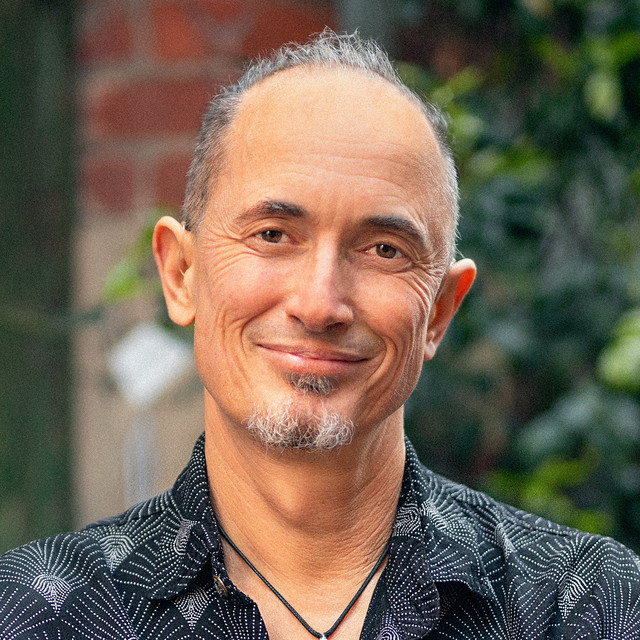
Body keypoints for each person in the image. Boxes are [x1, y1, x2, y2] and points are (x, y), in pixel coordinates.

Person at [1, 30, 639, 640]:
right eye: (273, 235)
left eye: (384, 249)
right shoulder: (34, 614)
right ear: (181, 274)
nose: (319, 304)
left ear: (439, 311)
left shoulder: (589, 606)